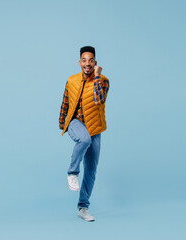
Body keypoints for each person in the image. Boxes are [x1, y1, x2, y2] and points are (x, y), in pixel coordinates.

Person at [59, 46, 110, 222]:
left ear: (95, 63)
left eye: (91, 60)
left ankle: (83, 208)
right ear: (79, 62)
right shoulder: (71, 80)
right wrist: (62, 124)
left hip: (95, 127)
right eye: (84, 60)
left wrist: (96, 76)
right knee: (84, 138)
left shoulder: (103, 80)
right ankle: (72, 172)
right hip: (76, 122)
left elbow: (99, 100)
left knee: (91, 170)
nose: (87, 63)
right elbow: (65, 102)